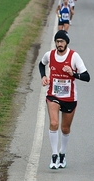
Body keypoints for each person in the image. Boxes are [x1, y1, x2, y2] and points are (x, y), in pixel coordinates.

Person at [39, 30, 90, 169]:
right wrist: (43, 76)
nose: (59, 44)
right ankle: (54, 155)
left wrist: (72, 73)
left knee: (65, 128)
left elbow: (87, 76)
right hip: (53, 95)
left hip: (69, 97)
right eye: (57, 41)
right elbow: (41, 64)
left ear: (66, 42)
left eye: (62, 41)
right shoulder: (49, 55)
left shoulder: (74, 56)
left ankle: (62, 153)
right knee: (54, 123)